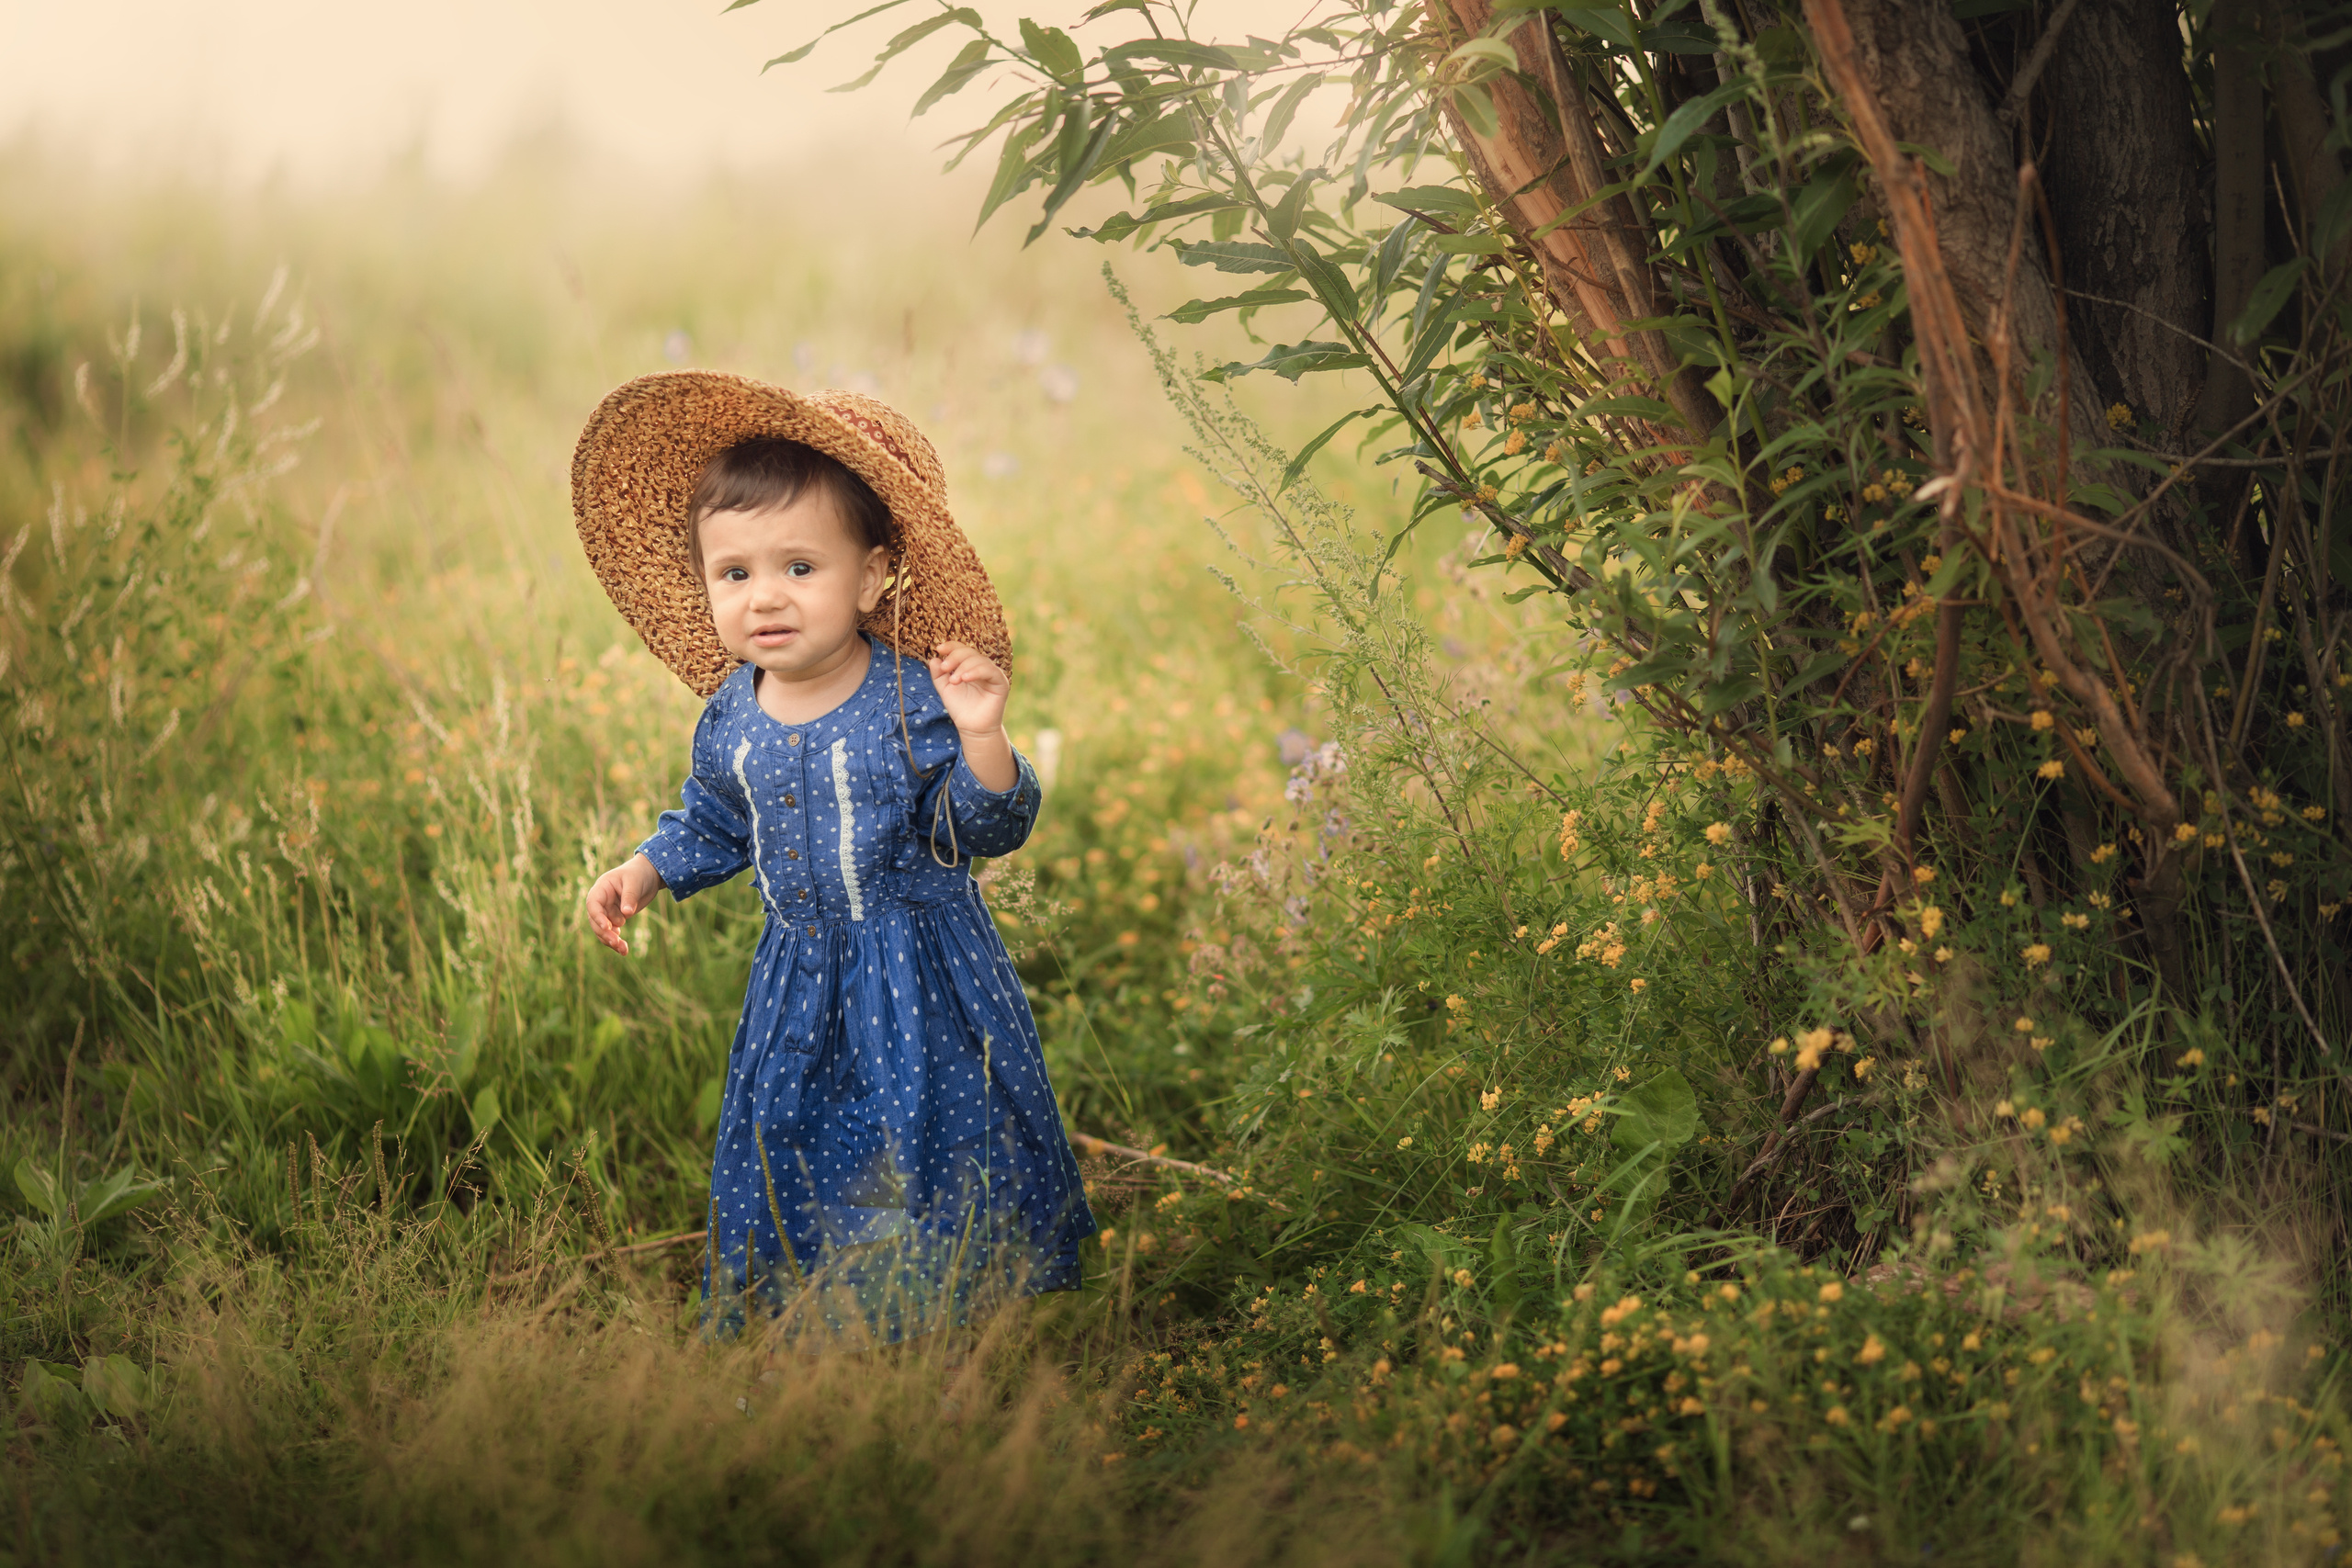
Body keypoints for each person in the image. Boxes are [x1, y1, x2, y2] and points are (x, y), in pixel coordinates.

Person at [572, 373, 1095, 1346]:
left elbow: (978, 826)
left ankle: (950, 1325)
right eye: (734, 574)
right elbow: (716, 819)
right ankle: (828, 1321)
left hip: (920, 972)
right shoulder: (733, 710)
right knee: (800, 1138)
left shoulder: (909, 700)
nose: (765, 597)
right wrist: (644, 868)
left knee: (933, 1136)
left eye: (800, 567)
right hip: (798, 980)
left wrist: (982, 736)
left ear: (871, 576)